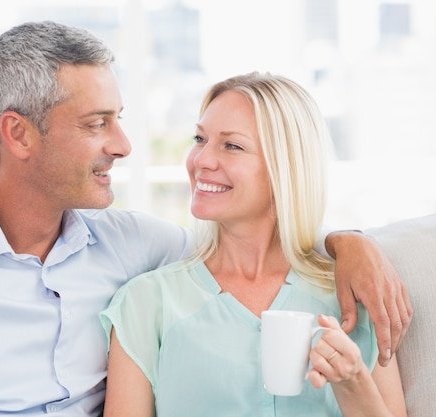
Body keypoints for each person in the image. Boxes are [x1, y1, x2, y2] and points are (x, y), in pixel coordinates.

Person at [0, 21, 410, 416]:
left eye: (119, 118)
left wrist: (350, 242)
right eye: (96, 123)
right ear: (18, 133)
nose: (125, 144)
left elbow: (252, 246)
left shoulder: (134, 245)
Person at [100, 72, 407, 417]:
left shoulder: (355, 293)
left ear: (284, 169)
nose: (201, 160)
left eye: (231, 145)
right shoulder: (146, 303)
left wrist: (353, 382)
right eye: (200, 138)